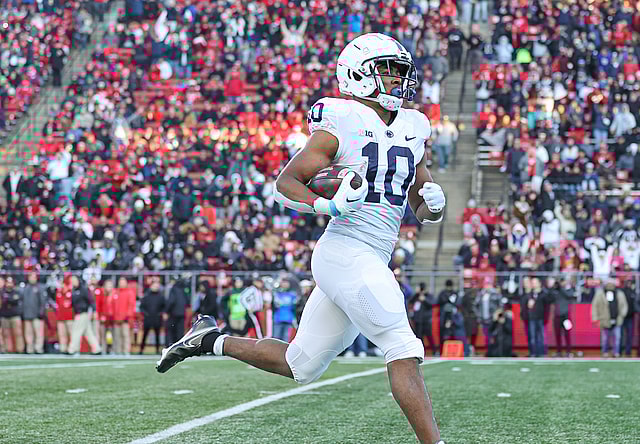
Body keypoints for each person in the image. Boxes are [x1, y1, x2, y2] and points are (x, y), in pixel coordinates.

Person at [156, 33, 447, 444]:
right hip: (345, 250)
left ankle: (209, 339)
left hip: (371, 257)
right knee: (402, 346)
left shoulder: (414, 126)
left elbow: (420, 201)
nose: (397, 80)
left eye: (400, 72)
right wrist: (325, 206)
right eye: (387, 70)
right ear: (359, 76)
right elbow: (287, 181)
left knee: (301, 364)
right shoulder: (342, 120)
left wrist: (433, 205)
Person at [591, 280, 628, 358]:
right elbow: (594, 305)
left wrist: (622, 315)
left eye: (611, 284)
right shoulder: (600, 294)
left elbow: (624, 305)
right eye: (608, 284)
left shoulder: (619, 294)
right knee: (605, 338)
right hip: (604, 319)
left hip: (617, 319)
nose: (610, 286)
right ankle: (605, 352)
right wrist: (595, 317)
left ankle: (616, 352)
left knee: (617, 338)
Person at [67, 276, 100, 355]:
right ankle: (96, 349)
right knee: (88, 332)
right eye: (72, 281)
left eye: (74, 280)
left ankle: (72, 349)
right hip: (78, 313)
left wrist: (94, 311)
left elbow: (91, 300)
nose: (73, 282)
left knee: (76, 331)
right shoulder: (73, 290)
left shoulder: (83, 289)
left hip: (83, 313)